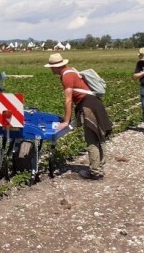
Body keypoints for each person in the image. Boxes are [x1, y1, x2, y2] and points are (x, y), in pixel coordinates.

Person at [45, 52, 113, 180]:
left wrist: (66, 121)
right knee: (99, 137)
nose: (50, 69)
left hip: (88, 107)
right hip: (95, 104)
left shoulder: (66, 76)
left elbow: (68, 100)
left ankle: (95, 172)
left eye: (51, 66)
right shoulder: (71, 71)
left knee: (92, 139)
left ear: (56, 67)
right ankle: (99, 166)